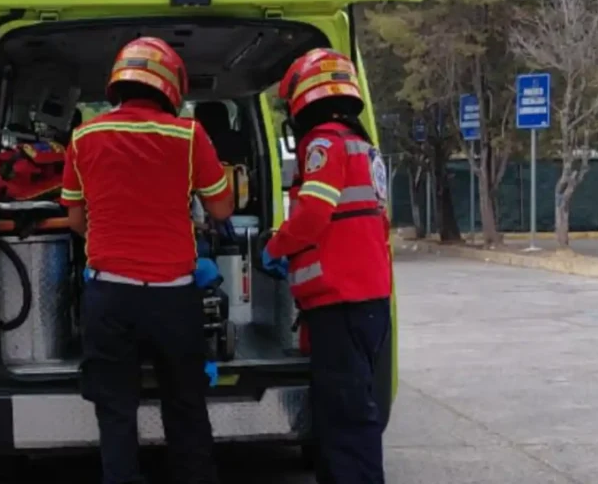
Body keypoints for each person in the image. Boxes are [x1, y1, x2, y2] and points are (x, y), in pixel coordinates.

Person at [60, 36, 234, 484]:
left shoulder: (83, 137)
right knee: (185, 410)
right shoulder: (189, 135)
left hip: (108, 297)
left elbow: (76, 220)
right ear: (171, 87)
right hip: (173, 300)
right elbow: (222, 210)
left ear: (119, 82)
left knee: (116, 414)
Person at [260, 48, 393, 484]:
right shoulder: (362, 147)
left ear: (304, 98)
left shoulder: (323, 143)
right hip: (366, 299)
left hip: (342, 302)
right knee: (355, 412)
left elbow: (315, 214)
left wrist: (277, 248)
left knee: (344, 421)